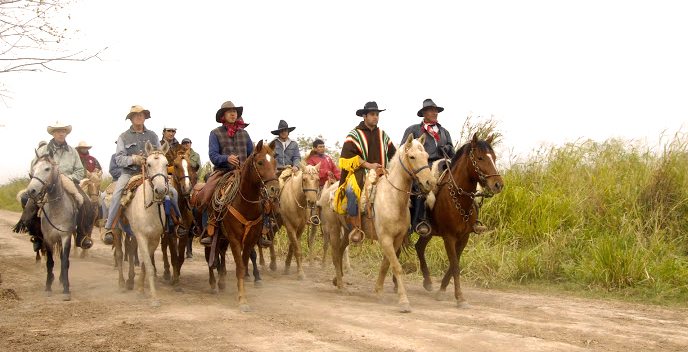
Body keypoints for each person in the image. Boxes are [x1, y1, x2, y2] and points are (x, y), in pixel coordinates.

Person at [401, 98, 485, 235]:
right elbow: (404, 149)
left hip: (445, 164)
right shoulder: (414, 130)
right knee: (421, 188)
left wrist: (447, 148)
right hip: (424, 166)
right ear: (424, 113)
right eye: (431, 111)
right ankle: (421, 220)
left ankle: (474, 220)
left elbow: (452, 151)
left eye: (436, 111)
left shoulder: (444, 132)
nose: (435, 113)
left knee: (469, 185)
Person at [103, 105, 181, 245]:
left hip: (150, 174)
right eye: (135, 115)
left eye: (141, 115)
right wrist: (134, 159)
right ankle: (109, 227)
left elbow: (159, 154)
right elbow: (119, 159)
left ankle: (177, 223)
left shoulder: (153, 135)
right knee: (117, 194)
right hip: (129, 173)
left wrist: (151, 160)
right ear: (131, 118)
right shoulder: (123, 137)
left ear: (145, 117)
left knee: (173, 192)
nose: (139, 117)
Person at [15, 121, 94, 249]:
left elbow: (80, 171)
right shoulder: (43, 150)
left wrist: (68, 178)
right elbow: (34, 168)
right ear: (53, 133)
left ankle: (81, 236)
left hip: (68, 182)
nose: (61, 133)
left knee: (87, 202)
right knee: (27, 199)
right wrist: (41, 178)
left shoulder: (72, 151)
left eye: (63, 131)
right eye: (58, 131)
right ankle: (37, 235)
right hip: (46, 182)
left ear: (66, 133)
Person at [334, 101, 396, 243]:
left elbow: (393, 154)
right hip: (360, 173)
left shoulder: (383, 135)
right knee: (350, 191)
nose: (376, 117)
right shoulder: (354, 134)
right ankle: (356, 227)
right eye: (372, 114)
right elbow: (347, 158)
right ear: (364, 116)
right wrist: (369, 165)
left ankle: (404, 226)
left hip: (382, 172)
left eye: (377, 114)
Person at [199, 100, 254, 246]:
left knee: (265, 195)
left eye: (234, 111)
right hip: (223, 172)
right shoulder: (215, 133)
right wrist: (226, 158)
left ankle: (264, 230)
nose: (233, 113)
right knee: (206, 194)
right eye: (229, 111)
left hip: (243, 173)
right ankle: (209, 230)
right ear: (223, 115)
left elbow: (252, 155)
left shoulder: (245, 133)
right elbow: (213, 155)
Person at [270, 120, 301, 187]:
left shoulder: (294, 143)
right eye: (281, 131)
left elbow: (296, 157)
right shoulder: (273, 143)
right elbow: (270, 158)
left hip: (290, 170)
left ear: (288, 132)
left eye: (285, 130)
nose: (283, 132)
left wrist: (296, 166)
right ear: (279, 133)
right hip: (277, 170)